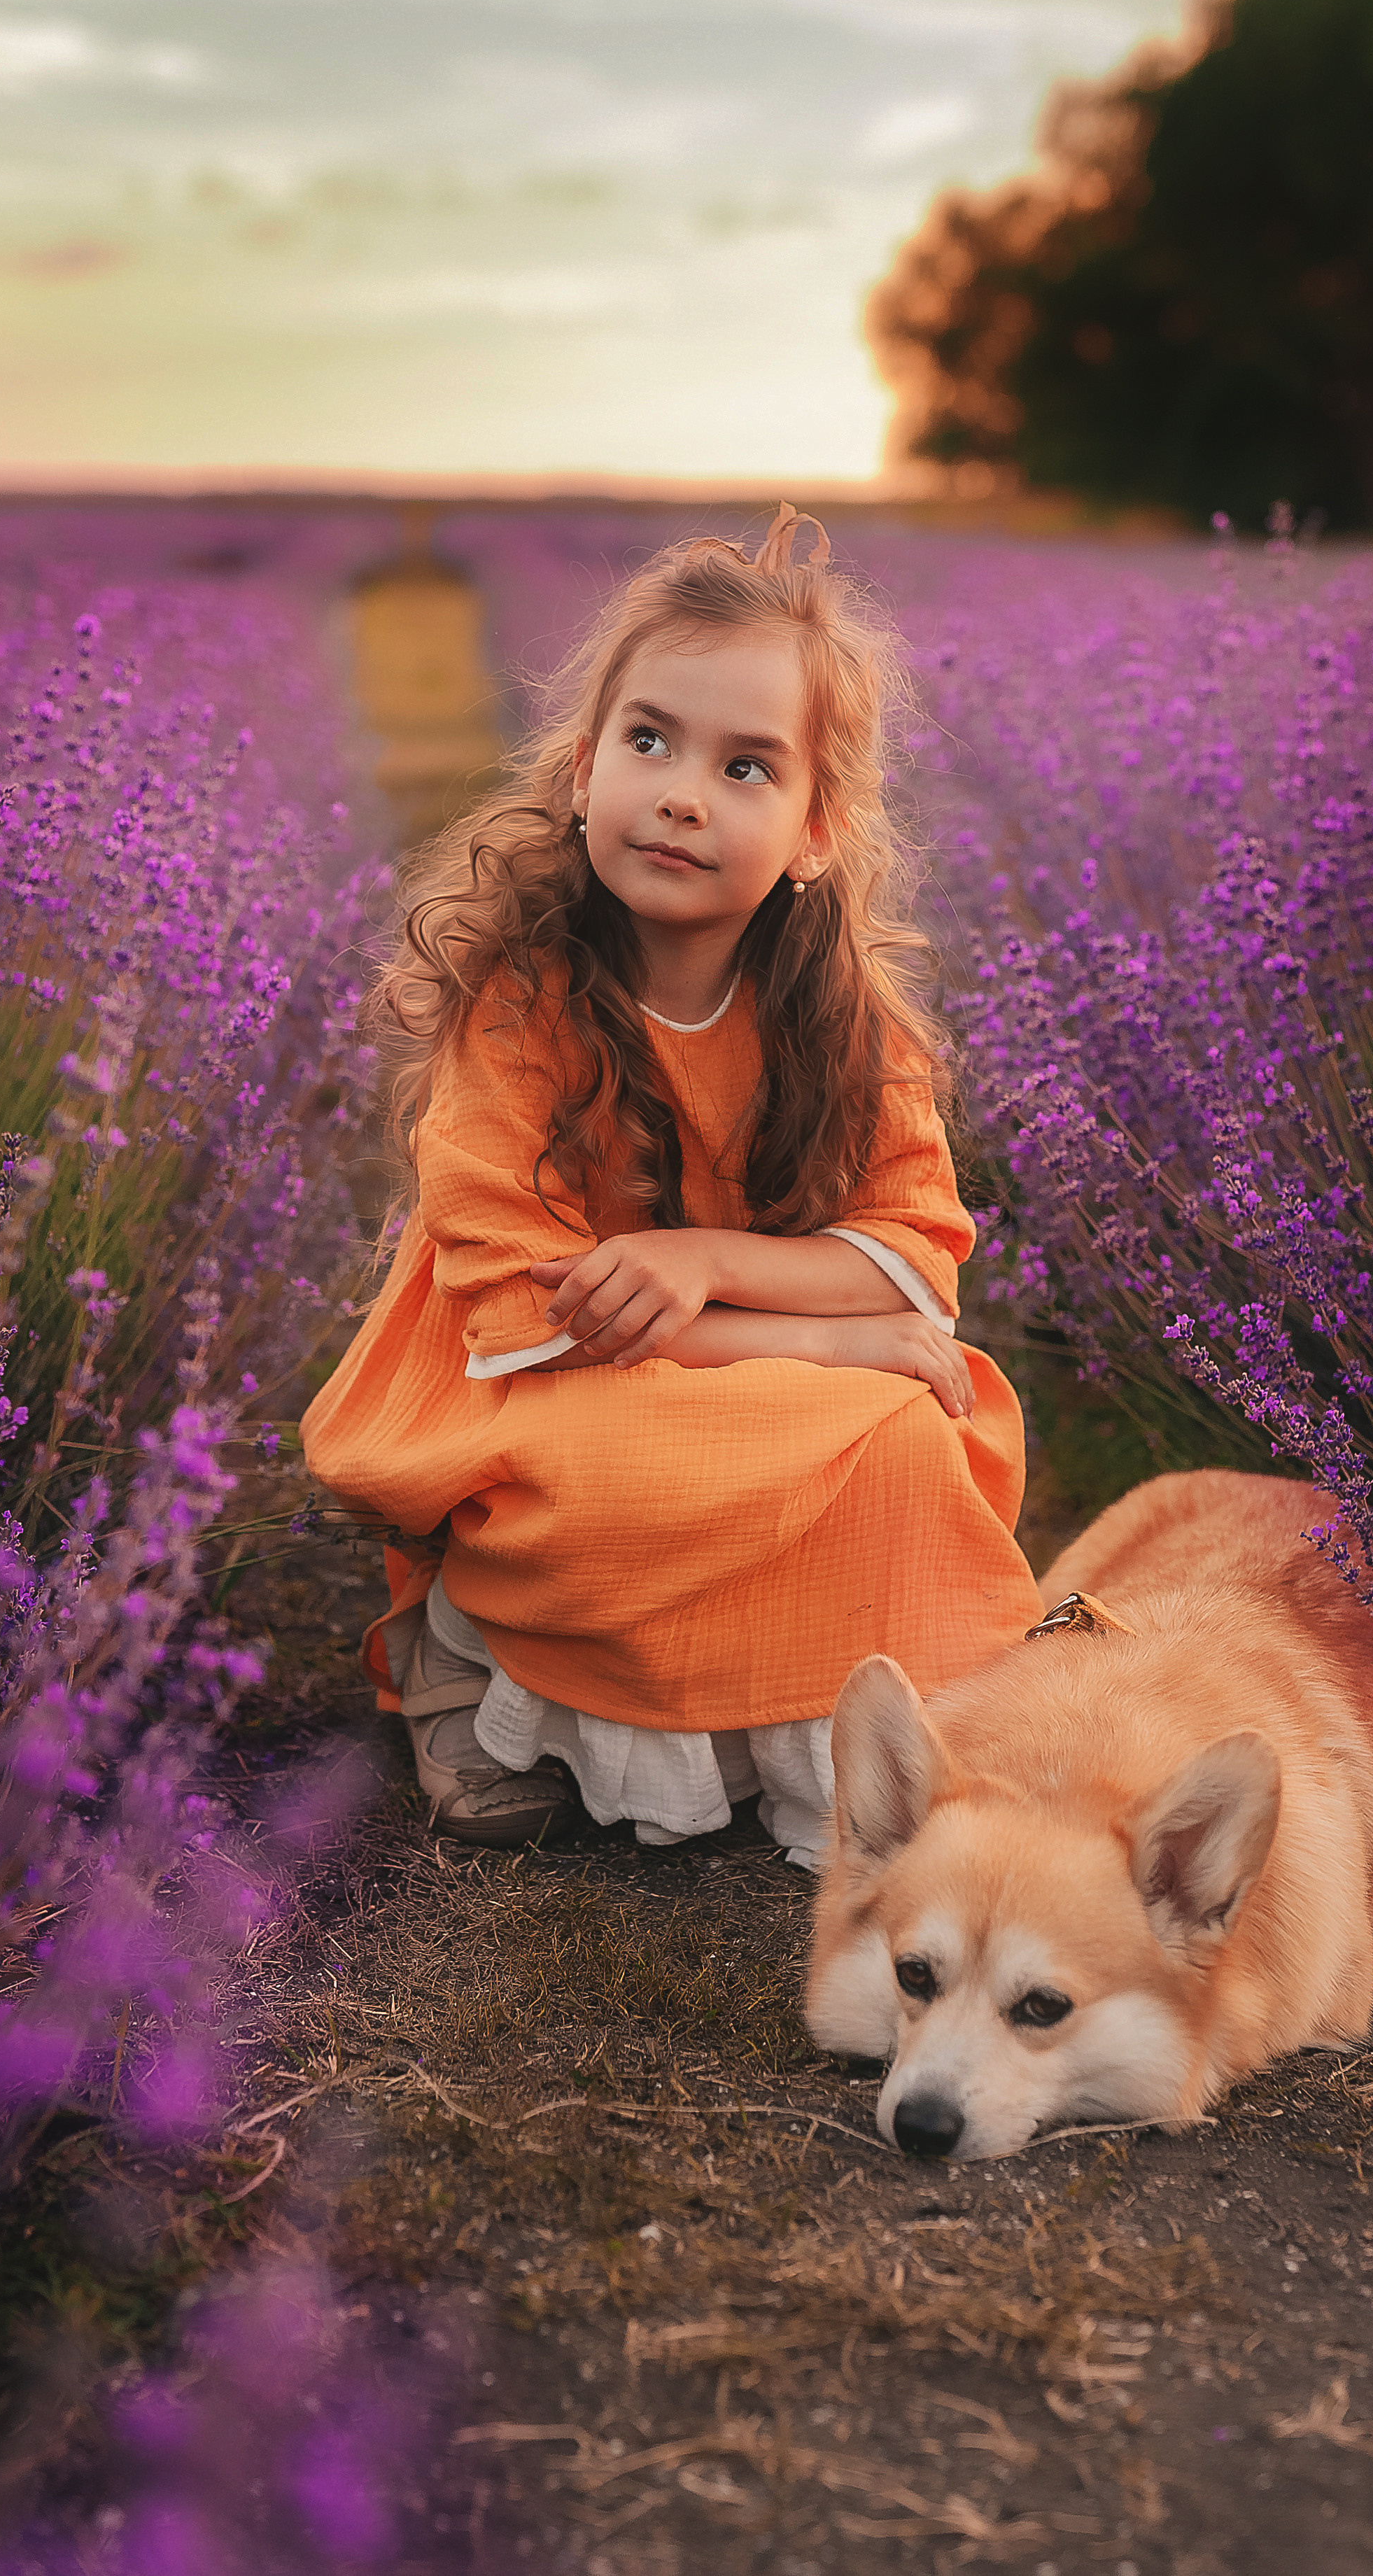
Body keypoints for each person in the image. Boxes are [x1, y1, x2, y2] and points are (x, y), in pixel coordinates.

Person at [300, 506, 1041, 1863]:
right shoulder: (519, 1006)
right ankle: (470, 1655)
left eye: (745, 765)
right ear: (582, 772)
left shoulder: (848, 1024)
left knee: (911, 1437)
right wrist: (821, 1338)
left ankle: (804, 1747)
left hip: (725, 1360)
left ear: (815, 830)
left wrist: (709, 1261)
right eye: (649, 740)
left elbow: (910, 1242)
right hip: (533, 1376)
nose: (683, 791)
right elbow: (530, 1315)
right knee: (651, 1463)